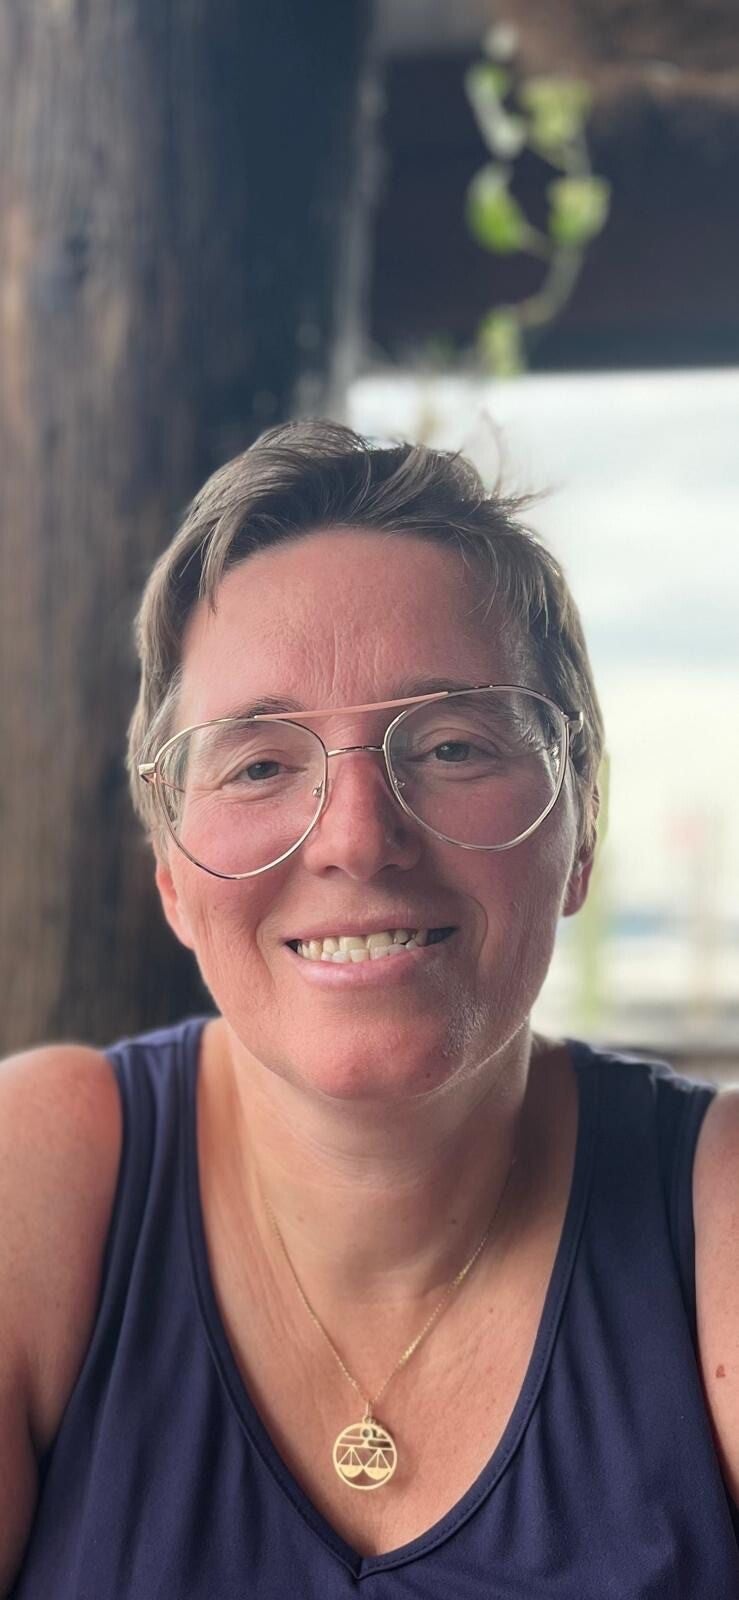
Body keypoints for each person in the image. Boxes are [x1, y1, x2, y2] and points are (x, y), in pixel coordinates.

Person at [2, 420, 737, 1598]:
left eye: (449, 745)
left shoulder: (714, 1209)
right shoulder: (41, 1173)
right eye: (258, 763)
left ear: (582, 827)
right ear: (172, 874)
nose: (357, 836)